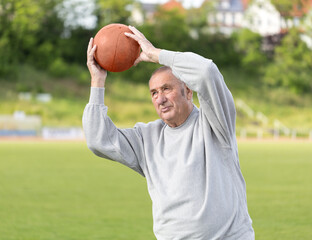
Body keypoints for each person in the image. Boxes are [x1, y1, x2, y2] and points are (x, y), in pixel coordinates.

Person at [82, 26, 255, 240]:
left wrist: (157, 55)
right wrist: (97, 81)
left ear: (188, 91)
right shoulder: (147, 138)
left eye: (166, 89)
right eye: (154, 93)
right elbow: (98, 140)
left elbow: (206, 72)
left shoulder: (215, 124)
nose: (160, 98)